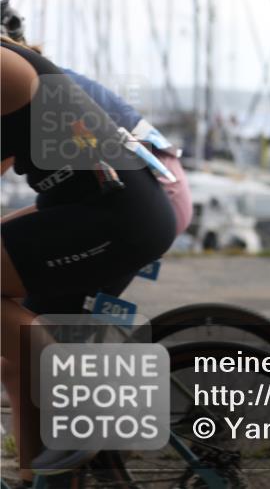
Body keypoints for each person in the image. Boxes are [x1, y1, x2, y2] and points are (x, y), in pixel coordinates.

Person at [1, 34, 177, 482]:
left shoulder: (4, 69)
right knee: (13, 359)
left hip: (114, 217)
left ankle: (74, 391)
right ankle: (36, 477)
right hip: (95, 211)